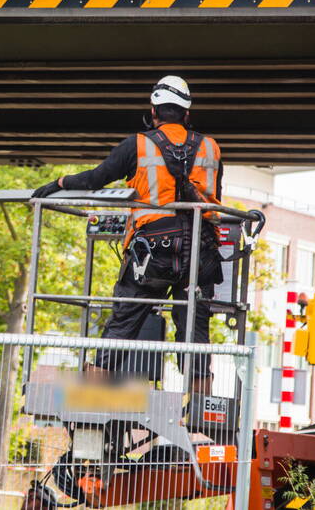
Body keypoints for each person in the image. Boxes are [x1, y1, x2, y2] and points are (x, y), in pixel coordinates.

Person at [31, 75, 223, 394]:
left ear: (153, 110)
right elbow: (216, 198)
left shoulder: (137, 144)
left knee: (123, 324)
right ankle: (203, 416)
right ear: (187, 113)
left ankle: (91, 401)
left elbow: (96, 178)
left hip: (155, 253)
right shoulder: (211, 146)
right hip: (201, 252)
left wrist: (60, 183)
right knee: (195, 331)